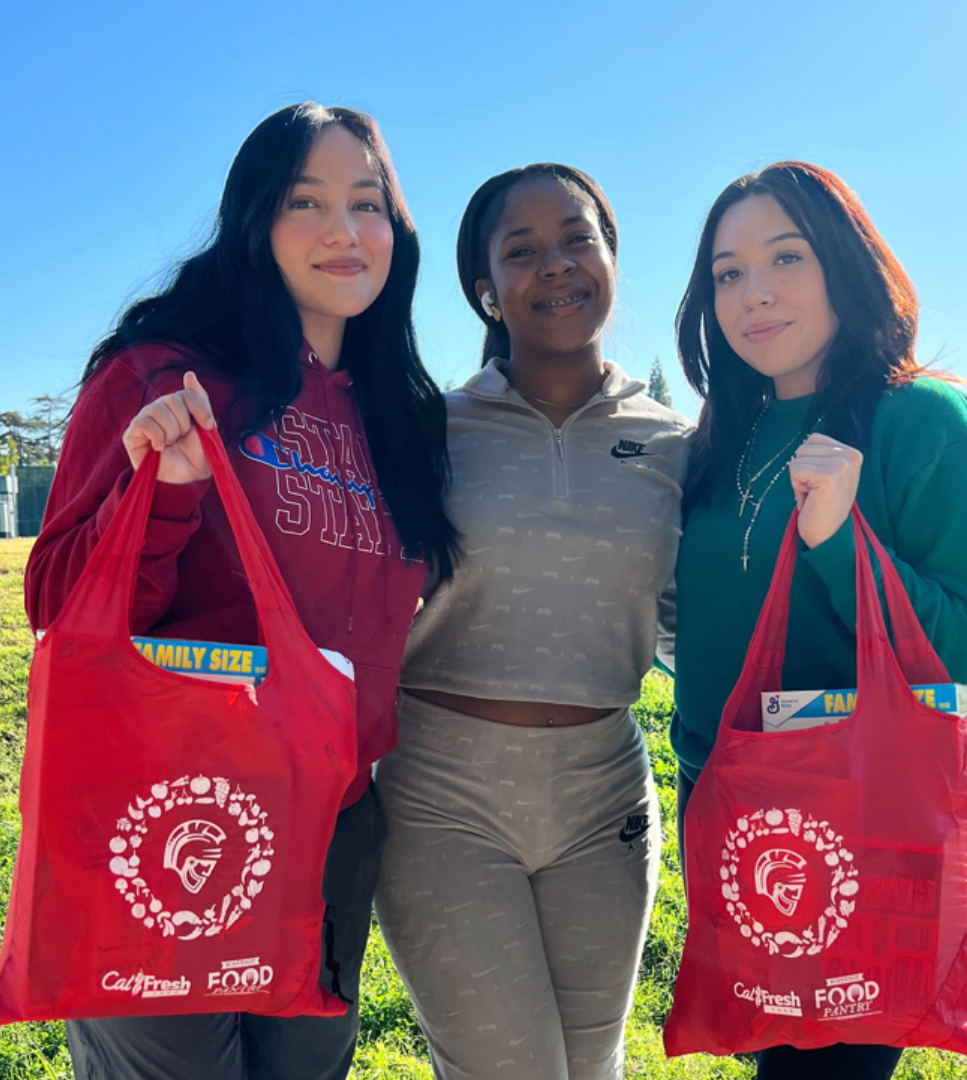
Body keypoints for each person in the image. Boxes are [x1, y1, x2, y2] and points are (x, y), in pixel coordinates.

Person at [24, 102, 457, 1080]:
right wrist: (165, 496)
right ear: (254, 220)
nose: (346, 232)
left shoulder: (403, 417)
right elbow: (59, 603)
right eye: (308, 202)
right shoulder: (165, 374)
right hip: (165, 813)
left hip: (334, 825)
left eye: (370, 202)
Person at [668, 160, 967, 1080]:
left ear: (847, 264)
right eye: (728, 272)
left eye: (787, 257)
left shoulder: (924, 420)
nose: (755, 294)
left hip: (869, 825)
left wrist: (839, 543)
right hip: (736, 816)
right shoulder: (724, 435)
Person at [373, 164, 692, 1080]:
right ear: (485, 288)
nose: (555, 264)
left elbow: (684, 622)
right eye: (521, 250)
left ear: (612, 260)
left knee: (591, 1068)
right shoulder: (424, 430)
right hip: (442, 798)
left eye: (576, 239)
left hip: (604, 799)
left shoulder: (675, 444)